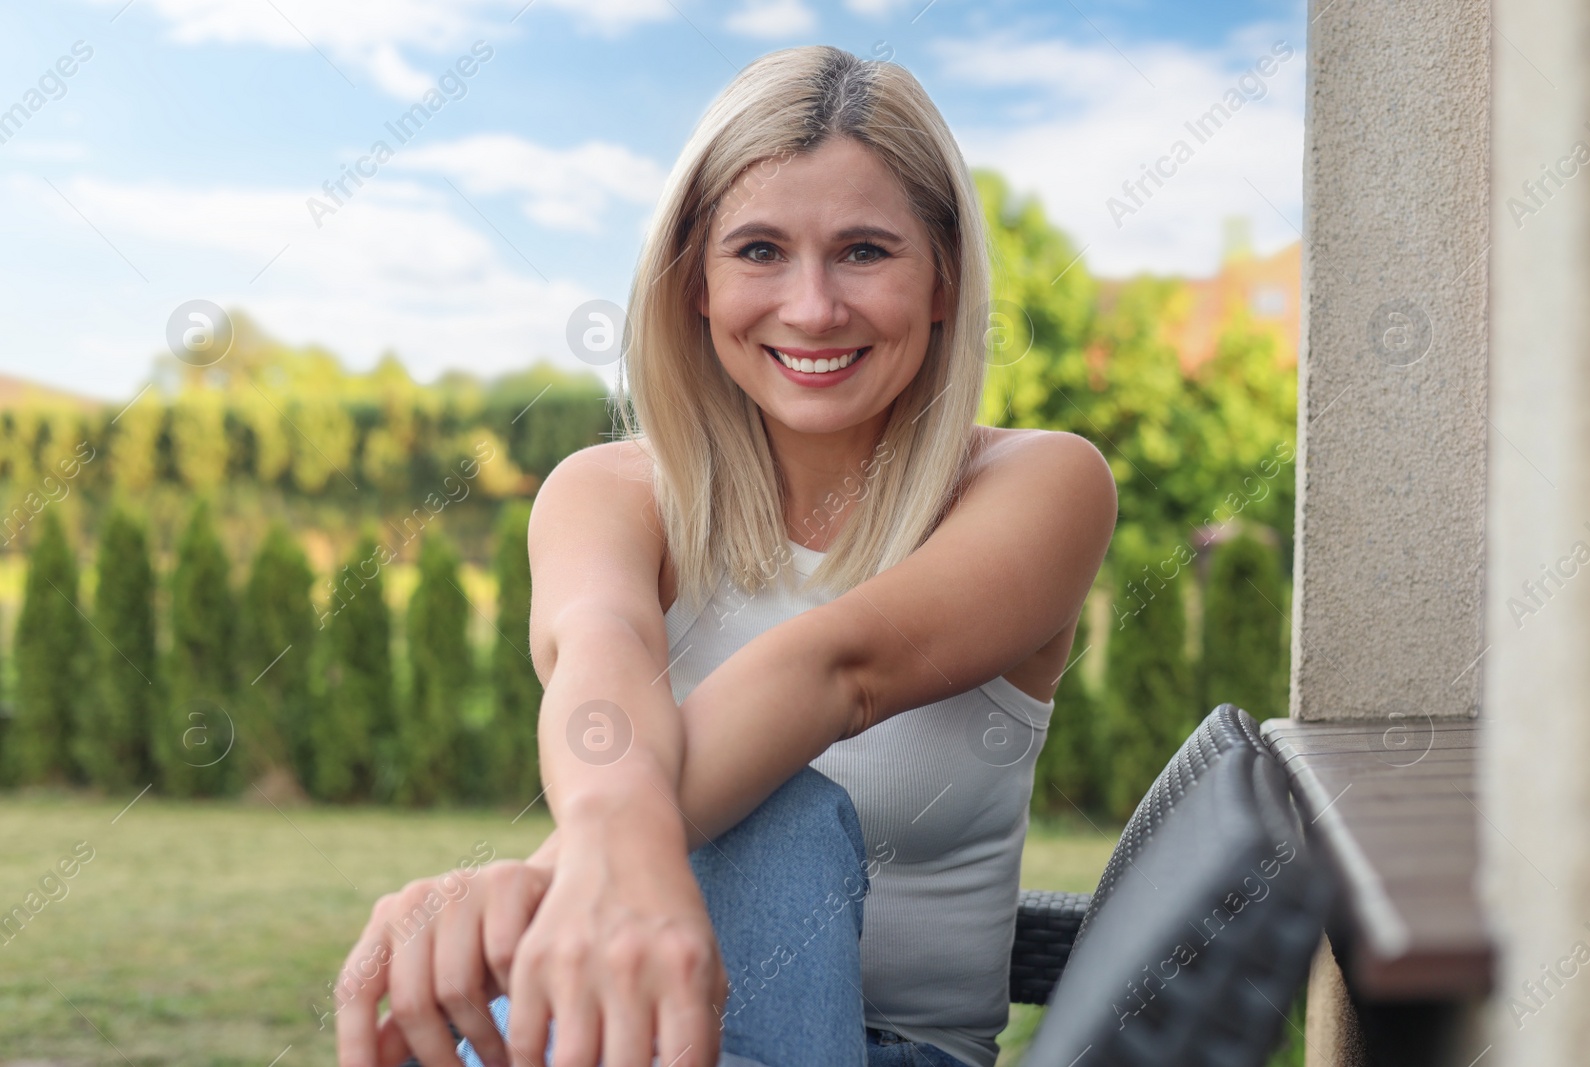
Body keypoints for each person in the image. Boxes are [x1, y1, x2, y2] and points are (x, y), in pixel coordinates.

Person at [335, 43, 1115, 1067]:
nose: (811, 307)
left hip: (884, 1046)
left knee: (778, 813)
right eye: (758, 251)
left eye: (865, 251)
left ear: (943, 280)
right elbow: (600, 652)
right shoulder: (606, 490)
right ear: (693, 281)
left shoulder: (1039, 484)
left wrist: (549, 871)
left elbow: (833, 670)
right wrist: (549, 888)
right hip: (622, 1026)